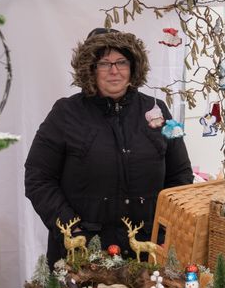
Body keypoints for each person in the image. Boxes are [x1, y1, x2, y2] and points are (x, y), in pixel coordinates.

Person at [24, 27, 193, 264]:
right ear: (90, 68)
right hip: (84, 254)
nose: (114, 71)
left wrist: (165, 227)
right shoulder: (65, 114)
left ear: (134, 66)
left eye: (121, 62)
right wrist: (72, 229)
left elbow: (180, 174)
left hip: (147, 251)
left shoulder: (156, 110)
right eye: (104, 63)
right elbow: (38, 178)